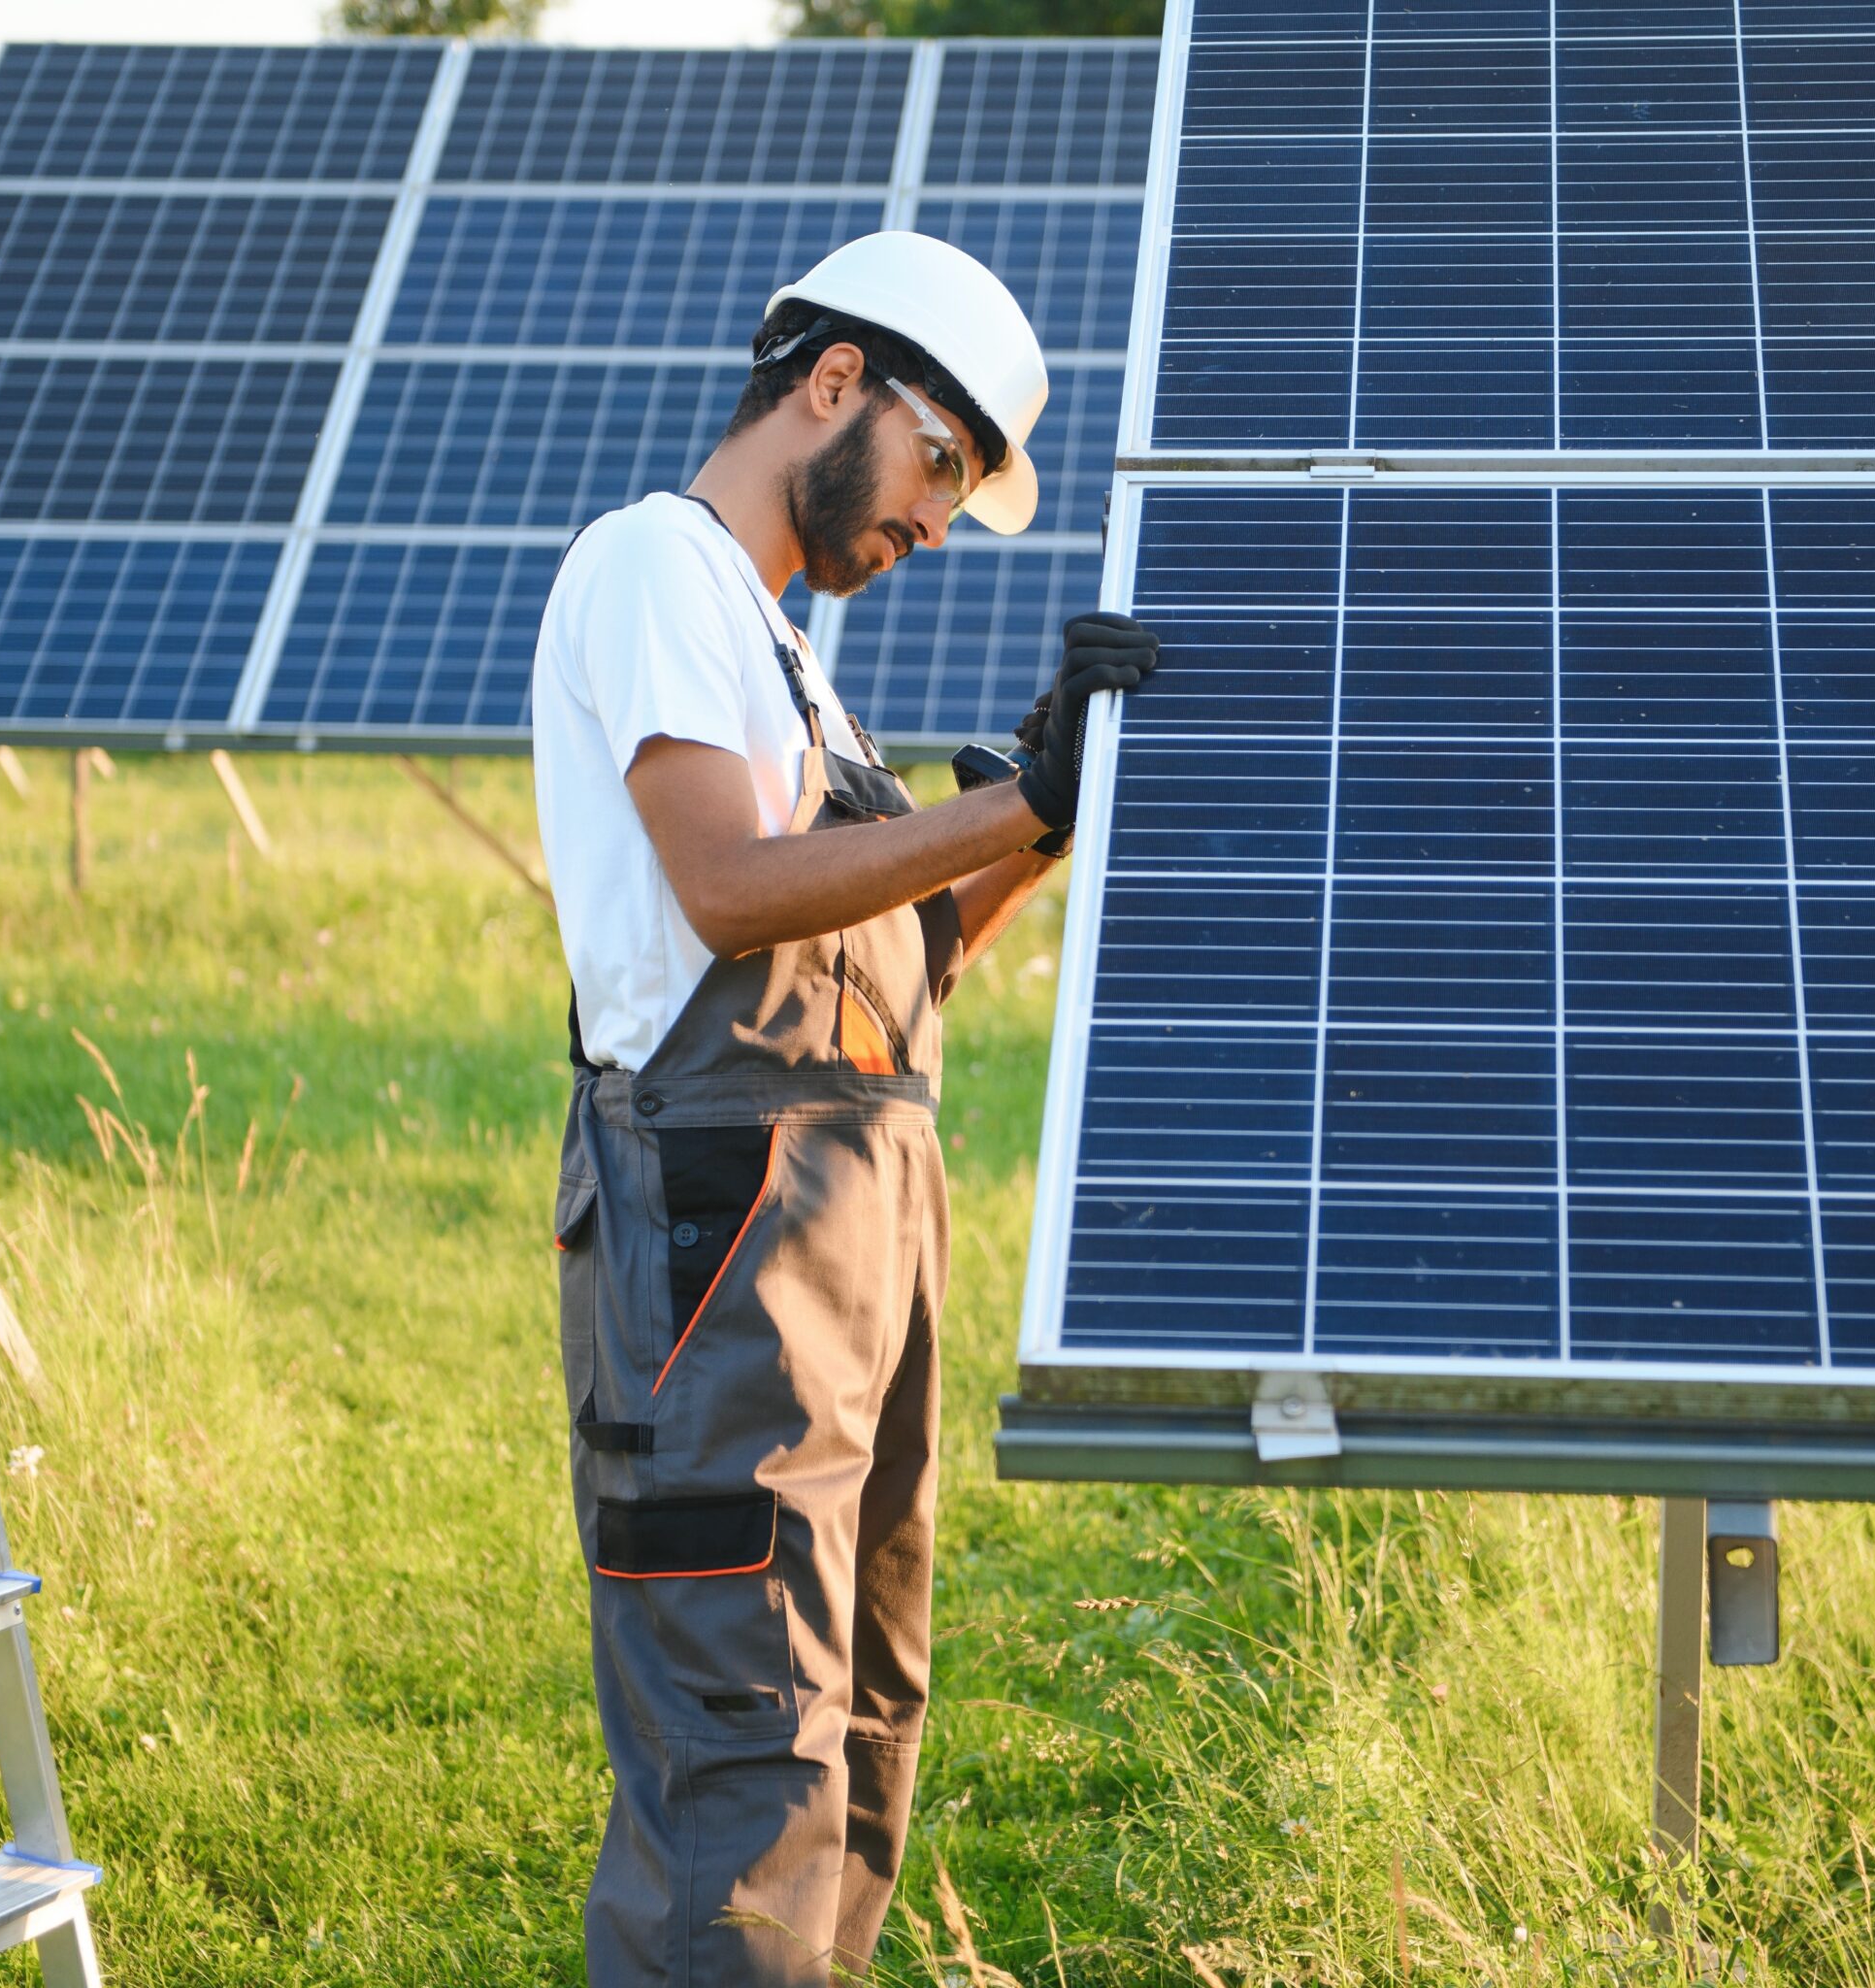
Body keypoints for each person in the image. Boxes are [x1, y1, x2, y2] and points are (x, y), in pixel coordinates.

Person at [531, 230, 1159, 1985]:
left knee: (863, 1723)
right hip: (727, 1246)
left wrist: (1036, 818)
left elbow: (890, 971)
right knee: (749, 1746)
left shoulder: (787, 651)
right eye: (942, 460)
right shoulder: (656, 565)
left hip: (852, 1239)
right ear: (833, 384)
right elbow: (733, 891)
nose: (938, 520)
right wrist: (1014, 795)